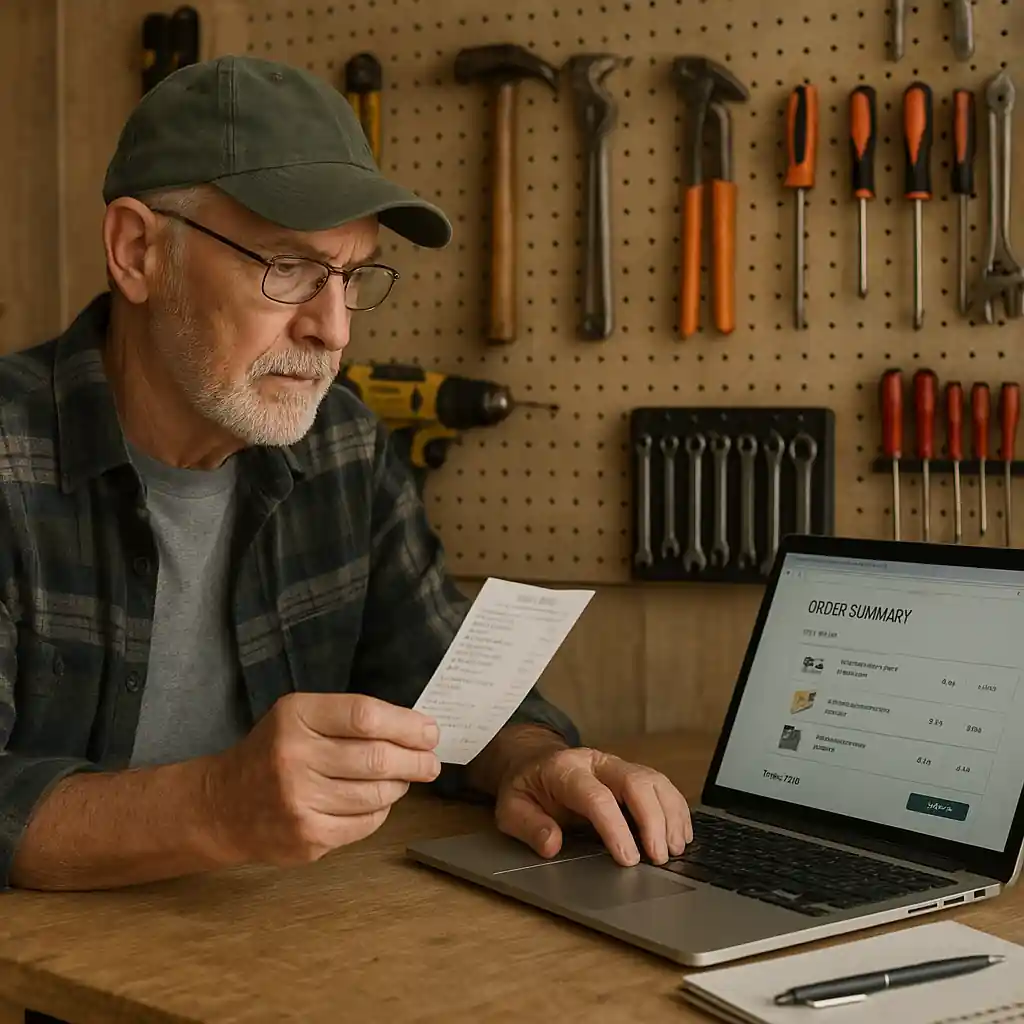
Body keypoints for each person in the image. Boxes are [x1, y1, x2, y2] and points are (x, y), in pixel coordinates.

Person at [0, 55, 693, 897]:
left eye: (352, 275)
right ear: (138, 250)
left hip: (287, 957)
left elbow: (437, 685)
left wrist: (533, 760)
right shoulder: (9, 459)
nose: (332, 329)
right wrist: (219, 804)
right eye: (286, 267)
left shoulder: (342, 446)